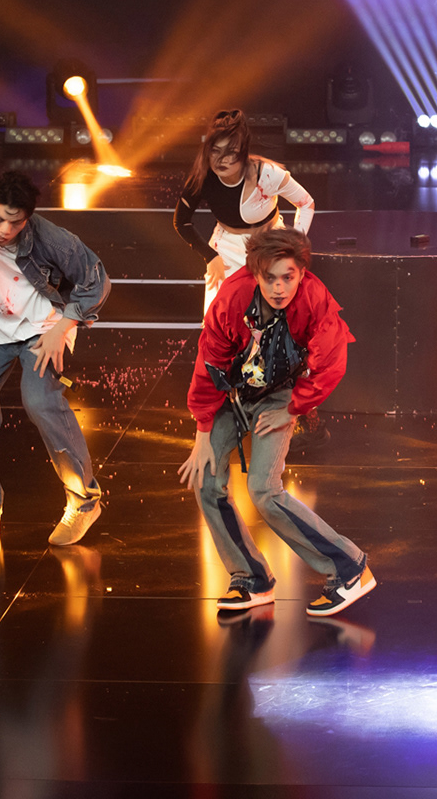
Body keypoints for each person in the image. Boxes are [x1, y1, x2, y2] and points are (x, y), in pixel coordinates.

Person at [177, 227, 375, 618]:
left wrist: (293, 408)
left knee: (263, 489)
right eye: (270, 278)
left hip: (280, 394)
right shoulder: (232, 297)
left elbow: (332, 361)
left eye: (288, 277)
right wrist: (202, 431)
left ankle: (349, 569)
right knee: (206, 479)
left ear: (302, 272)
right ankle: (252, 579)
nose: (279, 288)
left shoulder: (314, 299)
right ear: (255, 273)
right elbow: (210, 361)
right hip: (235, 392)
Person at [0, 169, 111, 544]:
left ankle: (84, 502)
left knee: (40, 402)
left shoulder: (51, 238)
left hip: (43, 328)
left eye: (16, 222)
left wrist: (62, 328)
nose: (5, 229)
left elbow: (97, 281)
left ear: (28, 218)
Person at [173, 109, 315, 314]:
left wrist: (294, 245)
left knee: (272, 322)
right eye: (215, 150)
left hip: (270, 248)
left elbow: (306, 203)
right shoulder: (202, 177)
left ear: (243, 152)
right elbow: (181, 221)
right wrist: (210, 257)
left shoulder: (266, 174)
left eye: (231, 152)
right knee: (218, 322)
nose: (222, 159)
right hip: (226, 250)